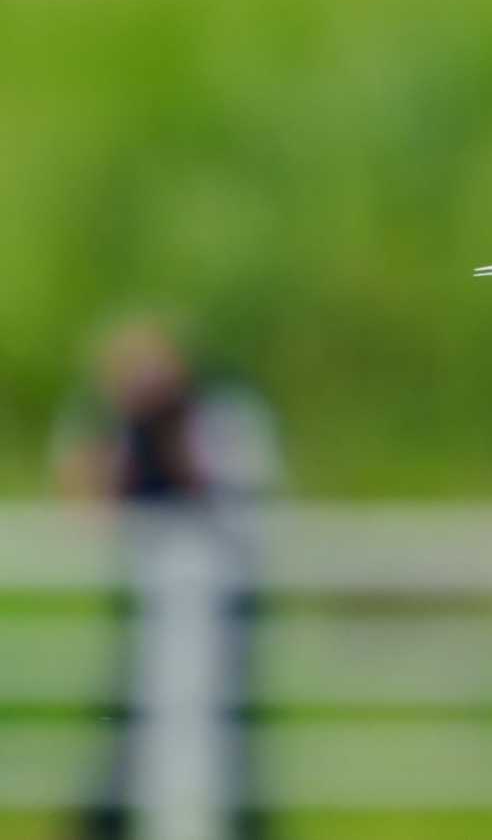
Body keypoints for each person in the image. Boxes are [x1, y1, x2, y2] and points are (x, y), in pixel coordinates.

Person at [50, 313, 282, 840]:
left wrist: (166, 430)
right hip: (146, 596)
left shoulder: (222, 409)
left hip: (225, 595)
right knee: (131, 725)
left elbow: (238, 495)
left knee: (228, 728)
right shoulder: (106, 420)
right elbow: (84, 508)